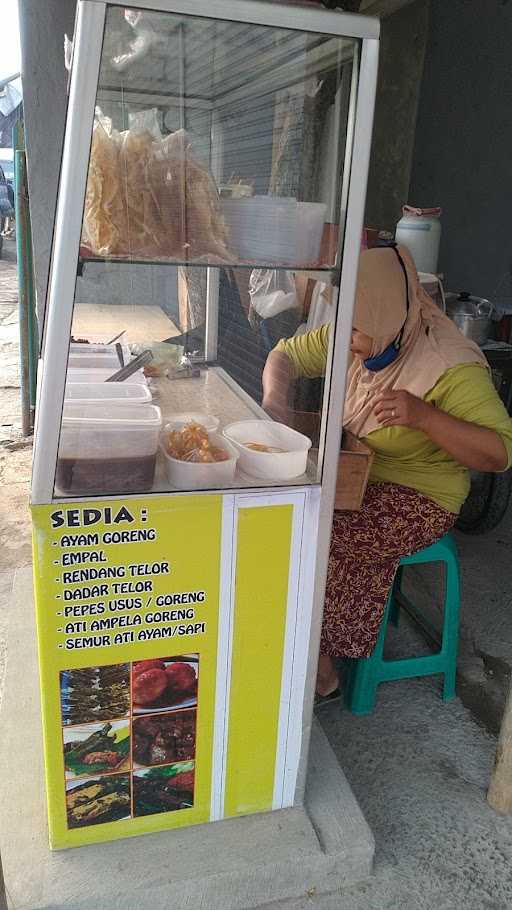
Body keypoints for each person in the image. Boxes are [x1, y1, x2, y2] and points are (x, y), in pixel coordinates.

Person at [262, 245, 512, 702]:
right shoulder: (366, 330)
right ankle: (295, 639)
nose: (347, 340)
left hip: (421, 495)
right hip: (360, 475)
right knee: (287, 520)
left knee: (322, 537)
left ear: (384, 311)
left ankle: (323, 673)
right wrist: (275, 405)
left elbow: (498, 454)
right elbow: (284, 356)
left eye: (356, 330)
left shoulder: (449, 367)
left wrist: (425, 417)